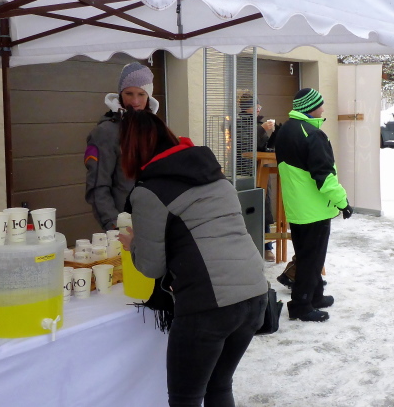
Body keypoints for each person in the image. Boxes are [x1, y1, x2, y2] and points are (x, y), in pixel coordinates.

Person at [118, 109, 268, 407]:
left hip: (208, 305)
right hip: (254, 294)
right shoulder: (214, 174)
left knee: (185, 399)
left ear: (131, 149)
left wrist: (133, 244)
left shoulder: (149, 191)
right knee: (219, 387)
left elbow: (151, 266)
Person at [275, 88, 353, 322]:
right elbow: (325, 176)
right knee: (312, 259)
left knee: (307, 254)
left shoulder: (286, 130)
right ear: (311, 107)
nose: (323, 108)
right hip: (314, 209)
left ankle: (315, 296)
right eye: (320, 104)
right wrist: (343, 202)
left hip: (297, 206)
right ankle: (301, 305)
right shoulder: (313, 134)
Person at [84, 62, 159, 230]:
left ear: (149, 97)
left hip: (155, 223)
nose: (135, 101)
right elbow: (97, 187)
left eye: (141, 94)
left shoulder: (155, 129)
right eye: (129, 93)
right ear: (120, 94)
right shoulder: (105, 133)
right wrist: (115, 226)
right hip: (125, 226)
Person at [237, 93, 277, 261]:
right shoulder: (239, 123)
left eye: (259, 105)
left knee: (264, 206)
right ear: (247, 107)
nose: (259, 108)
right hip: (244, 172)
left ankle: (267, 246)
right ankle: (248, 246)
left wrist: (274, 136)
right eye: (256, 105)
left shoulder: (259, 124)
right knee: (247, 207)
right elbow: (245, 144)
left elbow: (263, 147)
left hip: (262, 170)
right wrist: (262, 130)